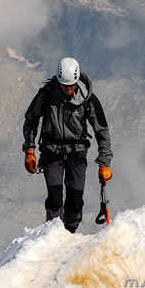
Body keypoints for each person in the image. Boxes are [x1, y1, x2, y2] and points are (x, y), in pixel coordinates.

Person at [22, 57, 113, 233]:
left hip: (77, 152)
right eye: (65, 85)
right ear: (58, 80)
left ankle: (69, 233)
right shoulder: (47, 94)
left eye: (71, 85)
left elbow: (102, 130)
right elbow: (31, 120)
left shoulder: (87, 98)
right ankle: (53, 235)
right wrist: (30, 150)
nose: (69, 89)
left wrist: (104, 163)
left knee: (75, 198)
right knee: (55, 195)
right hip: (51, 151)